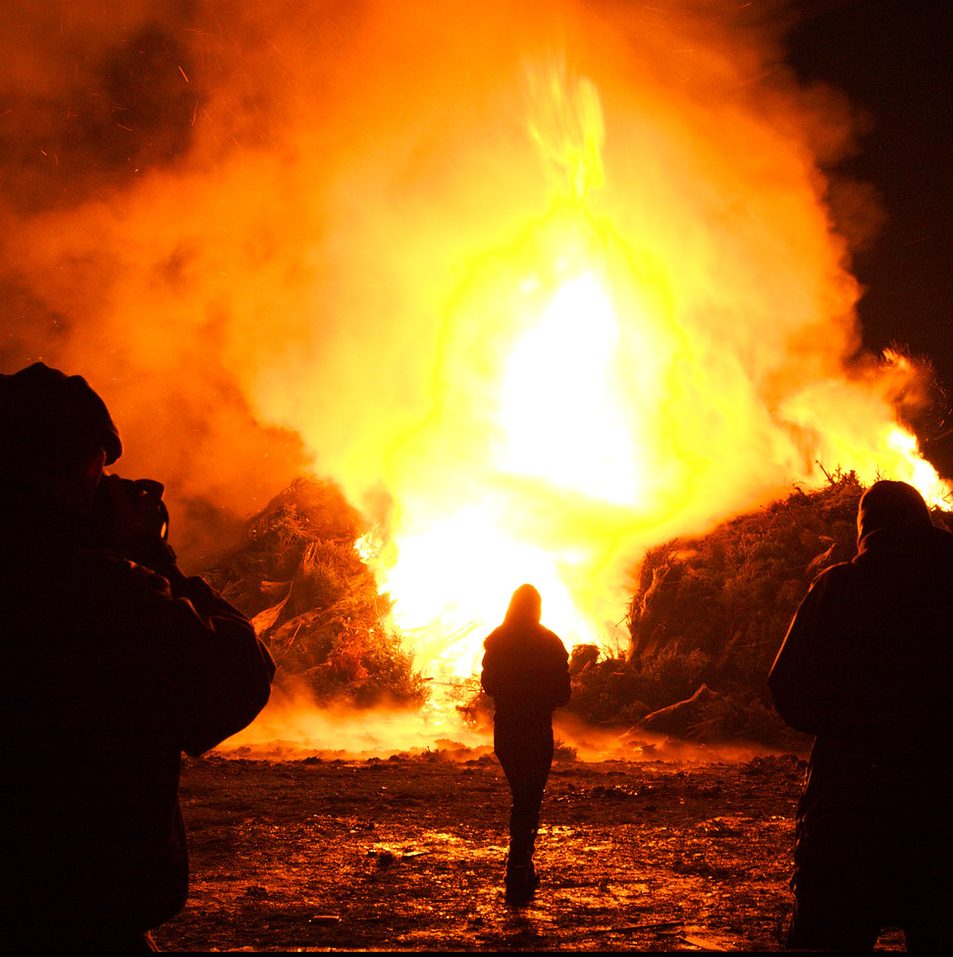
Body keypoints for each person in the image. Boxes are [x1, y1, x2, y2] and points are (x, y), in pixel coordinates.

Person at [0, 362, 276, 952]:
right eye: (98, 468)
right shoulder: (91, 588)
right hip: (77, 912)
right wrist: (153, 556)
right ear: (57, 468)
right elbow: (234, 679)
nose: (106, 487)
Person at [769, 479, 953, 951]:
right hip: (941, 809)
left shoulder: (840, 588)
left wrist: (845, 724)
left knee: (829, 932)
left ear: (865, 529)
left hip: (851, 807)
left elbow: (788, 686)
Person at [481, 583, 571, 903]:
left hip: (506, 730)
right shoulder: (551, 643)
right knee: (530, 797)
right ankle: (520, 863)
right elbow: (563, 695)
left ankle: (518, 862)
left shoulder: (497, 641)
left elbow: (488, 685)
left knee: (522, 794)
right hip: (536, 729)